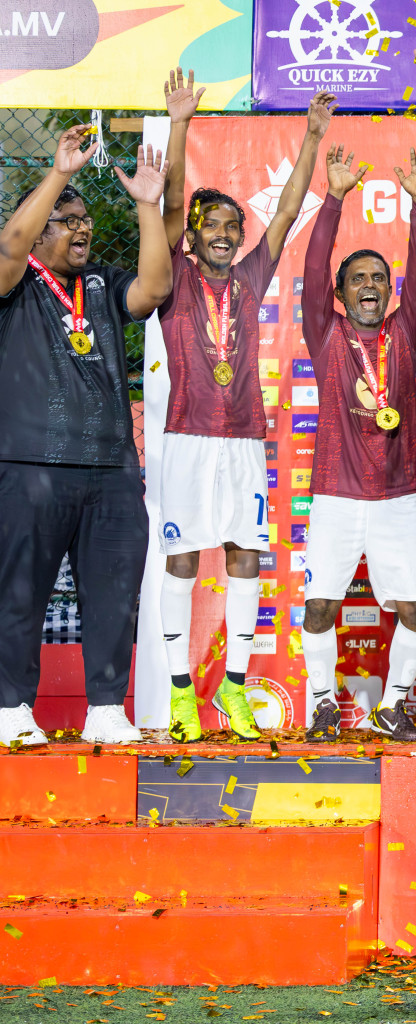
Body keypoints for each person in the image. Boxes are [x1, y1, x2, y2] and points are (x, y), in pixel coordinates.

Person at [157, 72, 333, 742]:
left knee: (245, 557)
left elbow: (285, 216)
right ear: (195, 239)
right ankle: (179, 695)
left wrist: (312, 137)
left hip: (242, 442)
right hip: (188, 439)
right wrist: (179, 124)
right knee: (181, 559)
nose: (226, 235)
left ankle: (231, 689)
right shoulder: (173, 277)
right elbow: (172, 209)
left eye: (234, 226)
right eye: (214, 227)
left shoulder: (252, 276)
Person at [0, 127, 172, 746]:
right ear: (41, 225)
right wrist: (58, 175)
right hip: (29, 466)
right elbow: (11, 243)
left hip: (112, 471)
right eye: (67, 220)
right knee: (19, 593)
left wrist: (147, 206)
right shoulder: (13, 282)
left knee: (111, 594)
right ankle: (10, 707)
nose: (82, 229)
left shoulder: (99, 281)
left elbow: (155, 288)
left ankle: (106, 706)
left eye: (86, 220)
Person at [297, 146, 416, 743]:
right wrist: (333, 200)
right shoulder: (325, 334)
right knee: (321, 606)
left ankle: (391, 706)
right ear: (342, 292)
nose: (371, 286)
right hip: (335, 497)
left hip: (399, 498)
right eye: (359, 279)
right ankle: (324, 703)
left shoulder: (405, 331)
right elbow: (310, 271)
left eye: (380, 278)